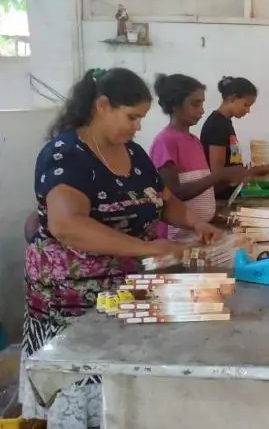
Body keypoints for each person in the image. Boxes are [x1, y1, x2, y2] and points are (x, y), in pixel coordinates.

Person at [22, 67, 221, 428]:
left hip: (125, 291)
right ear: (102, 106)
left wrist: (195, 222)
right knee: (89, 400)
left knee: (125, 398)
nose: (138, 126)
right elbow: (68, 225)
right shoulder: (66, 155)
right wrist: (149, 249)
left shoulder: (134, 154)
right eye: (132, 117)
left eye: (141, 118)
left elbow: (163, 200)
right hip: (73, 303)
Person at [149, 74, 269, 240]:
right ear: (175, 105)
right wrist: (220, 175)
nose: (202, 110)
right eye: (195, 104)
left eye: (202, 104)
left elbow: (204, 187)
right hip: (177, 237)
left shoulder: (195, 142)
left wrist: (213, 215)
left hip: (200, 233)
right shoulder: (165, 142)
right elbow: (173, 194)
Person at [200, 76, 258, 200]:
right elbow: (217, 173)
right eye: (246, 105)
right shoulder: (217, 125)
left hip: (229, 194)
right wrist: (249, 172)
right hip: (219, 198)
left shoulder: (225, 122)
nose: (248, 110)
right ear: (232, 98)